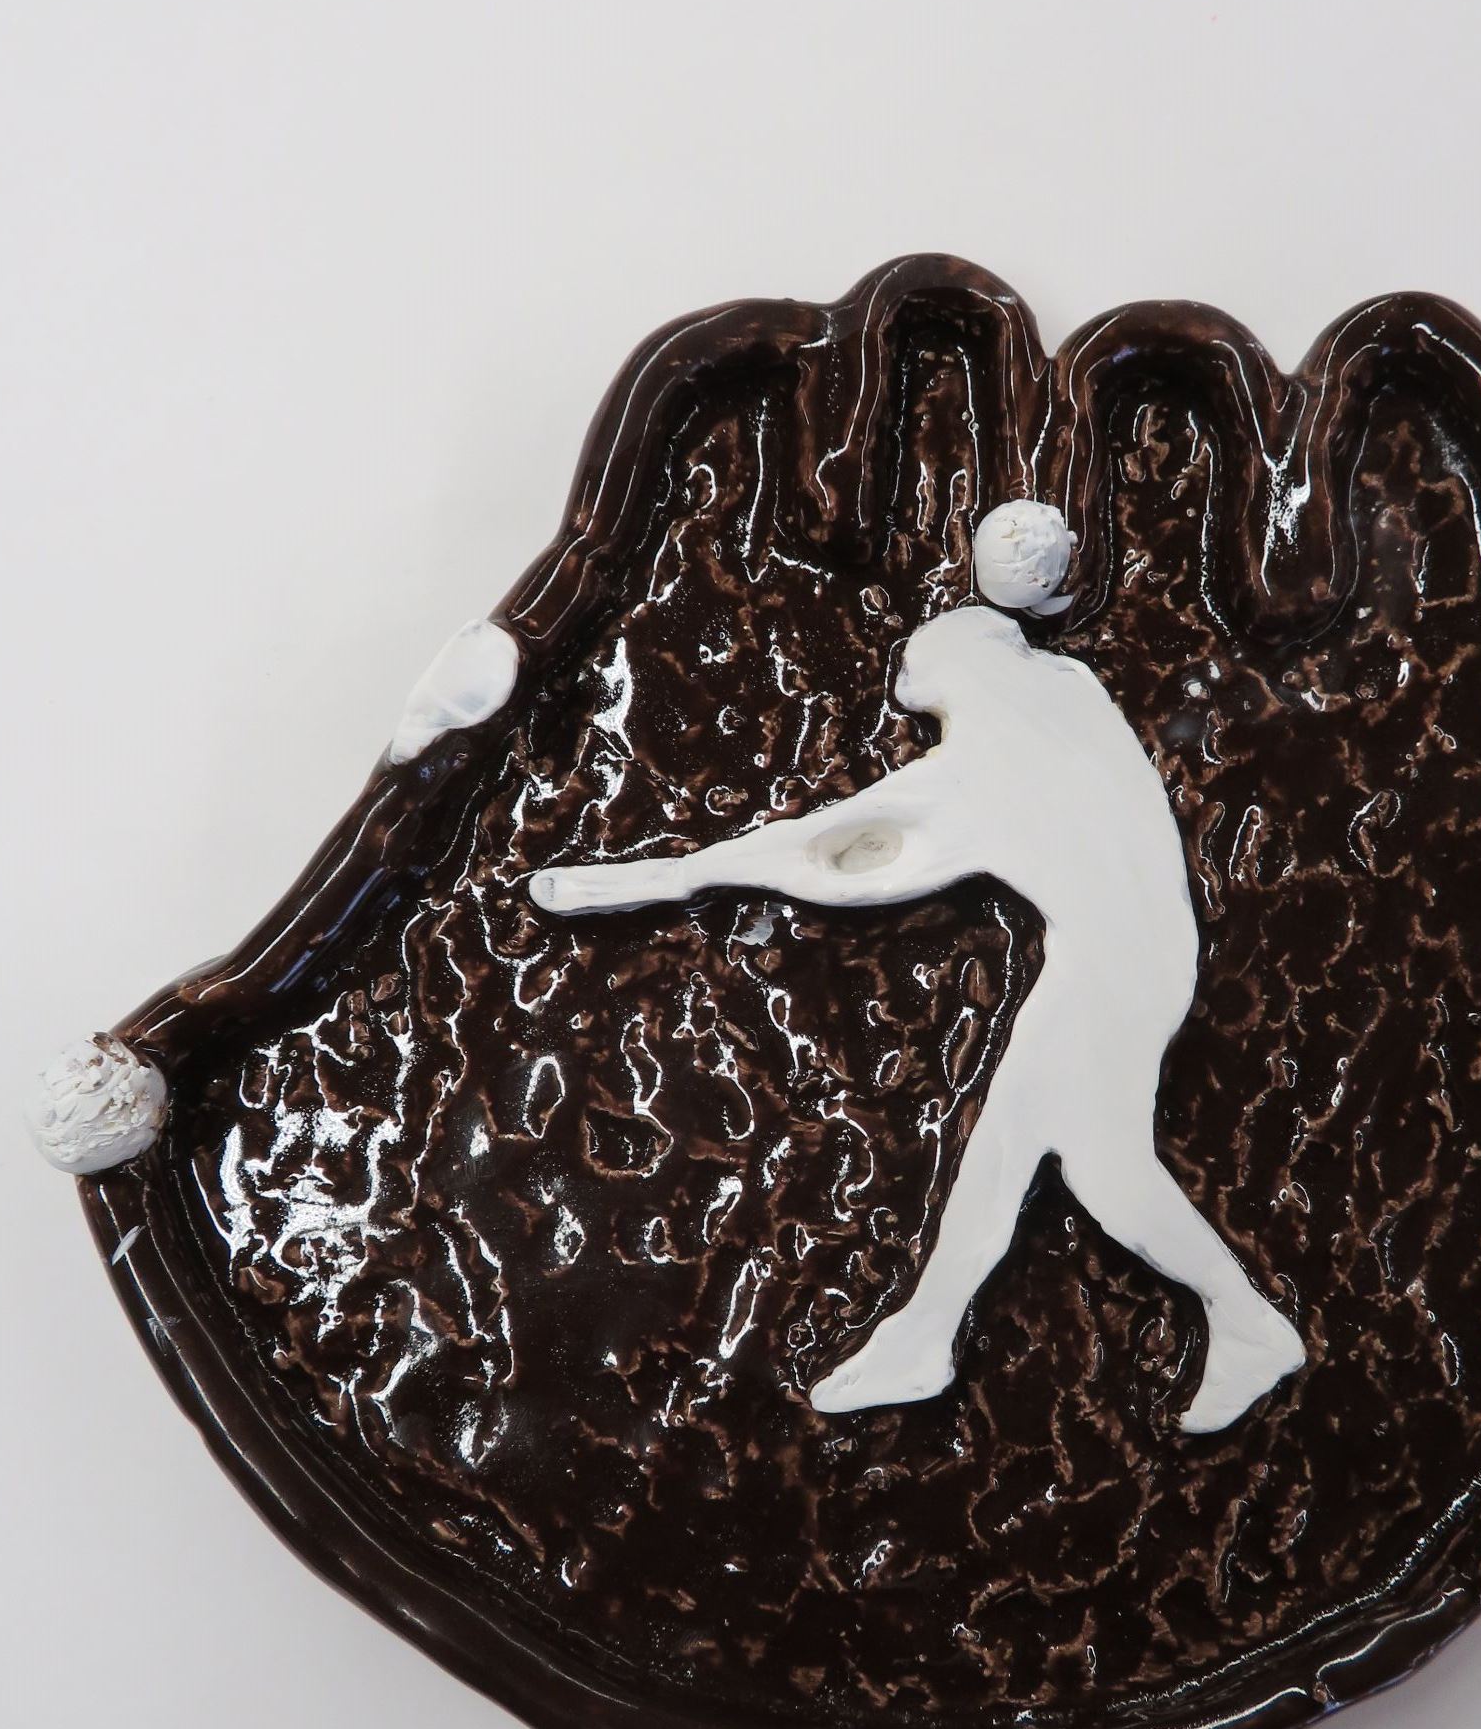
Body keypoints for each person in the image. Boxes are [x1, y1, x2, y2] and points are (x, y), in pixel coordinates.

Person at [531, 503, 1305, 1433]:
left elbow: (822, 853)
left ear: (957, 677)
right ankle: (926, 1337)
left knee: (1099, 1169)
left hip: (1115, 973)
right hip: (1136, 956)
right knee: (1014, 1147)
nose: (904, 679)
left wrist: (659, 878)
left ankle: (1240, 1320)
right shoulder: (1069, 688)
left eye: (918, 668)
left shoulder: (979, 775)